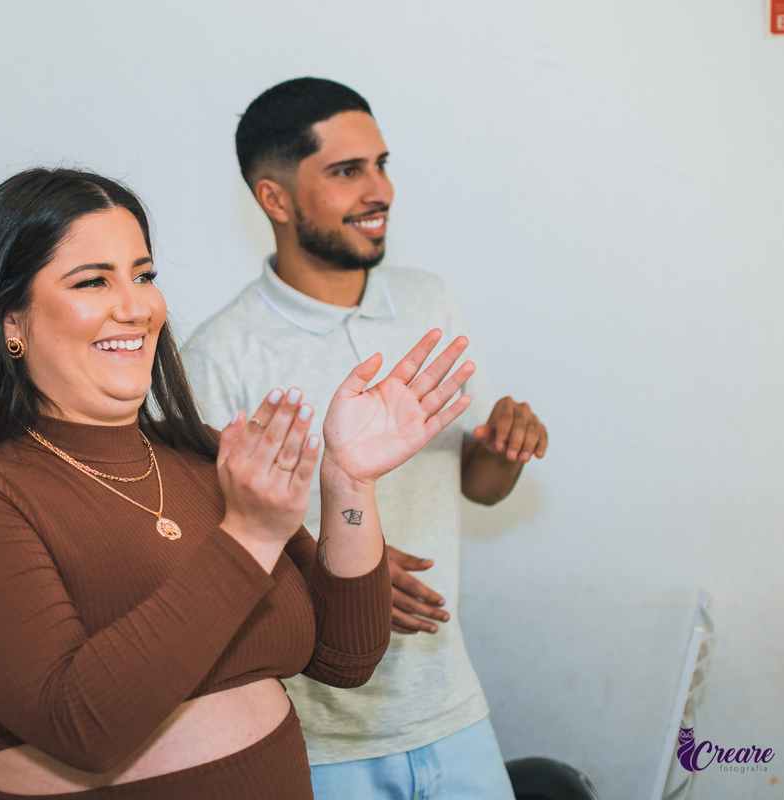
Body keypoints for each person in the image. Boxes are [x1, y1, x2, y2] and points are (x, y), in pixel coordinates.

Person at [0, 167, 479, 799]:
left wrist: (349, 482)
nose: (135, 306)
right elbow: (80, 724)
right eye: (92, 281)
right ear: (10, 322)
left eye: (143, 275)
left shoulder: (203, 455)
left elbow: (346, 654)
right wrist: (246, 537)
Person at [183, 78, 551, 799]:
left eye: (381, 164)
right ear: (276, 200)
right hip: (316, 744)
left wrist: (502, 449)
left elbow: (476, 488)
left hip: (452, 714)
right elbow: (204, 561)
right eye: (348, 171)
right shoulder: (218, 355)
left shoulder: (426, 300)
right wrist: (339, 583)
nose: (379, 190)